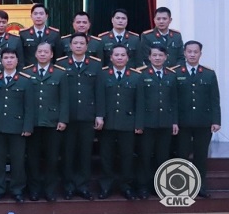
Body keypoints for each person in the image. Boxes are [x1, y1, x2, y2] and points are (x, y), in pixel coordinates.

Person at [57, 32, 103, 200]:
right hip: (67, 117)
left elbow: (99, 91)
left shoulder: (95, 65)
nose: (78, 46)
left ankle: (83, 186)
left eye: (81, 43)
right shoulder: (61, 64)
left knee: (85, 153)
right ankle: (68, 187)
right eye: (75, 43)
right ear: (70, 46)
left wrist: (99, 115)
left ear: (87, 46)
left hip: (87, 116)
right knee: (68, 153)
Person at [97, 45, 144, 200]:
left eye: (123, 55)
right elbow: (99, 97)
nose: (119, 58)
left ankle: (126, 186)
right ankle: (106, 186)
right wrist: (99, 116)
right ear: (111, 58)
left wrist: (138, 124)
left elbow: (139, 103)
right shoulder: (103, 74)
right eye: (116, 55)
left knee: (127, 156)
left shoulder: (136, 76)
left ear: (128, 58)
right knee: (106, 156)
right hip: (108, 123)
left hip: (128, 123)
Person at [0, 47, 35, 203]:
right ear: (1, 61)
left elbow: (29, 106)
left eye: (12, 57)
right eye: (6, 58)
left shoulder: (25, 80)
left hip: (18, 127)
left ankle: (17, 190)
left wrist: (27, 127)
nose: (9, 60)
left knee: (18, 161)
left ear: (17, 60)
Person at [176, 40, 221, 198]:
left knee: (201, 156)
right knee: (182, 155)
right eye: (189, 51)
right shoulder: (176, 73)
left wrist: (216, 120)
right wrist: (174, 121)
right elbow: (172, 100)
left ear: (200, 54)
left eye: (195, 52)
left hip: (203, 122)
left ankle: (200, 185)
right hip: (182, 122)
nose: (192, 55)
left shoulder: (209, 73)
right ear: (184, 53)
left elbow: (214, 99)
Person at [25, 41, 69, 202]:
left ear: (51, 55)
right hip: (33, 122)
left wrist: (63, 119)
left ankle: (50, 190)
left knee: (52, 158)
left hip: (53, 122)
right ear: (35, 54)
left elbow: (64, 99)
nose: (42, 54)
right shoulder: (27, 72)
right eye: (40, 52)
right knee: (33, 158)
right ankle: (34, 190)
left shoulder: (60, 73)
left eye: (46, 52)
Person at [136, 46, 178, 199]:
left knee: (162, 156)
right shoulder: (141, 74)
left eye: (160, 55)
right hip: (147, 123)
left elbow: (174, 101)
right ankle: (143, 187)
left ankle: (159, 186)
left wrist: (174, 122)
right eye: (154, 55)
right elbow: (139, 101)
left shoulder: (171, 75)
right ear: (149, 57)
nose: (157, 58)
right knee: (145, 156)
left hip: (165, 123)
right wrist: (139, 124)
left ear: (166, 57)